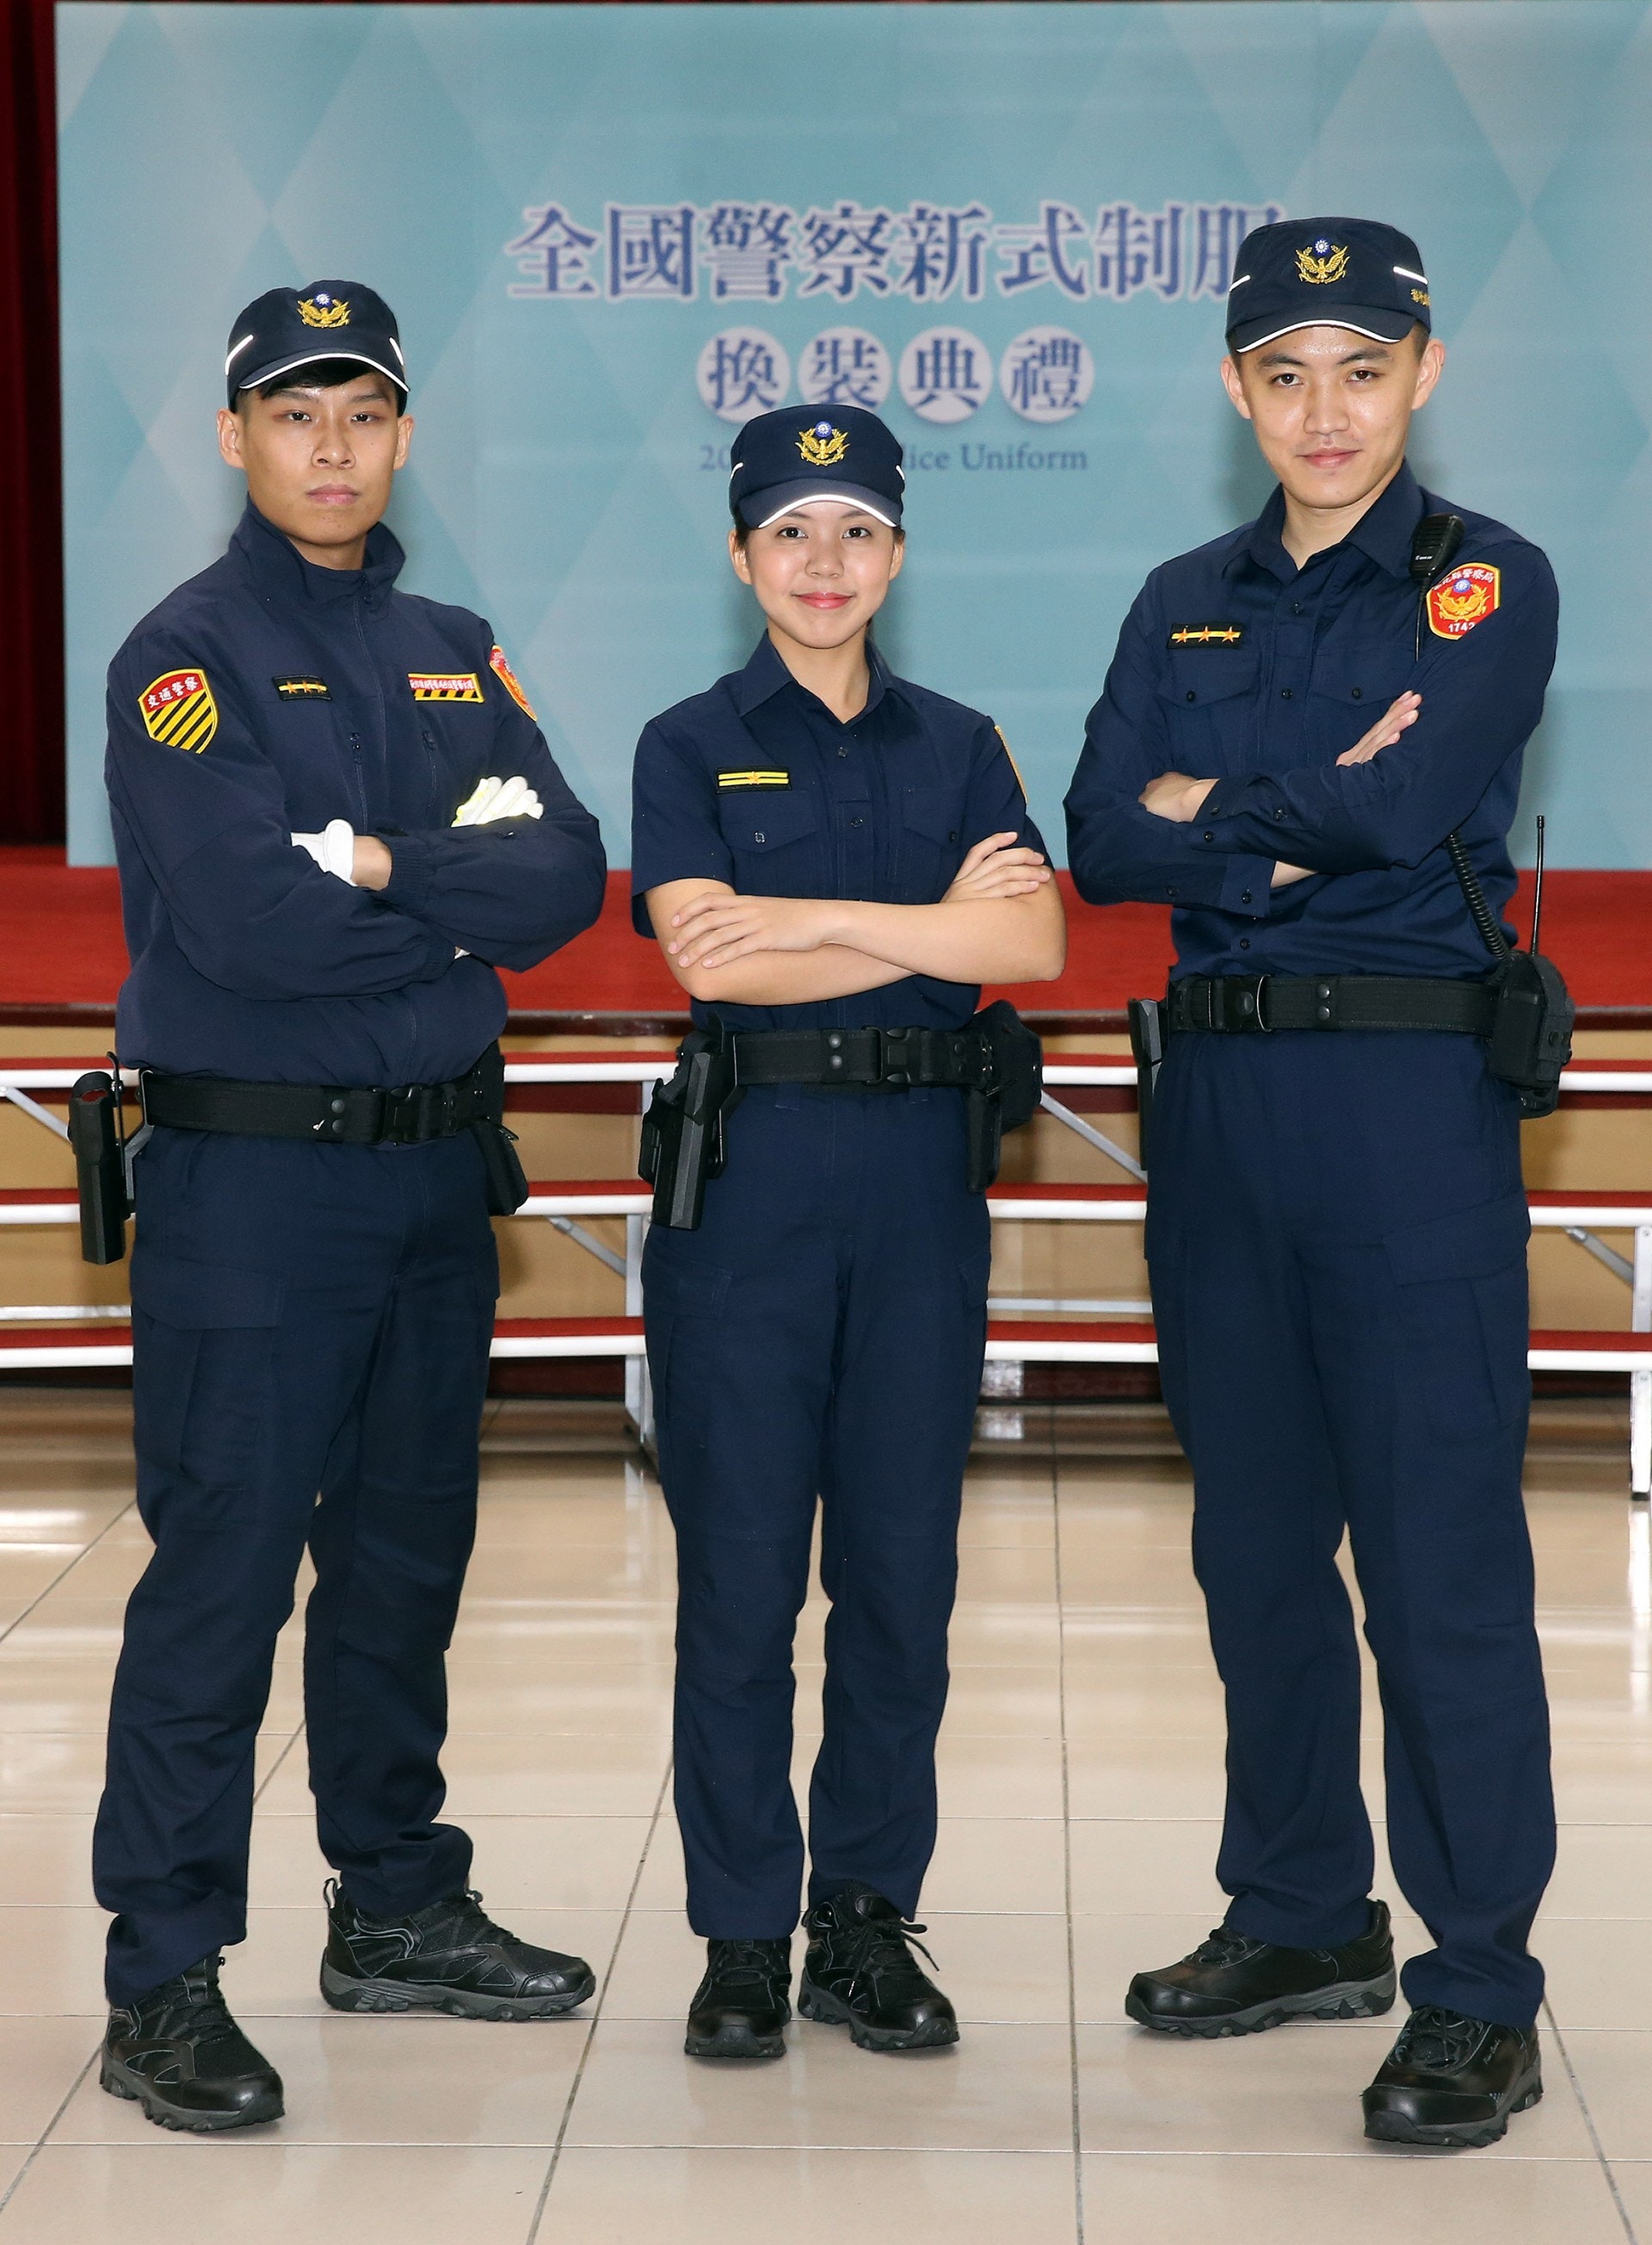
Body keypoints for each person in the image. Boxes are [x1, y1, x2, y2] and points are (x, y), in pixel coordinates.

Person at [1064, 217, 1559, 2149]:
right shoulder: (1180, 598)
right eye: (1286, 375)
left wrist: (1222, 815)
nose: (1325, 412)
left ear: (1424, 372)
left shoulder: (1482, 582)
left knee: (1438, 1562)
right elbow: (1102, 833)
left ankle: (1478, 1985)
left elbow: (1401, 801)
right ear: (1236, 388)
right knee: (1255, 1546)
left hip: (1404, 1103)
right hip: (1219, 1112)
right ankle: (1298, 1912)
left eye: (1363, 370)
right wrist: (1284, 823)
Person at [94, 281, 607, 2132]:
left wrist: (382, 864)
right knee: (225, 1574)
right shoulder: (184, 655)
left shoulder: (452, 647)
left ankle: (391, 1900)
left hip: (431, 1183)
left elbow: (567, 877)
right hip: (255, 1189)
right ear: (235, 435)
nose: (332, 447)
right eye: (295, 414)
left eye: (363, 413)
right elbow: (251, 924)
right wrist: (449, 898)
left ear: (403, 434)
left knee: (403, 1564)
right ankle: (163, 1973)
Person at [630, 404, 1065, 2060]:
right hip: (748, 1192)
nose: (826, 562)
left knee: (900, 1579)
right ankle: (743, 1934)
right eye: (792, 531)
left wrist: (806, 917)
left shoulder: (963, 744)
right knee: (741, 1586)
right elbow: (709, 961)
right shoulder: (687, 740)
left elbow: (1029, 948)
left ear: (899, 553)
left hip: (918, 1194)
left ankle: (865, 1922)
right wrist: (928, 928)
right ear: (743, 555)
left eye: (858, 530)